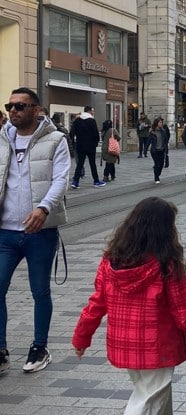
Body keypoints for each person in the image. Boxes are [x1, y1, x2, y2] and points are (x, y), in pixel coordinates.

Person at [71, 197, 186, 415]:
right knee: (147, 399)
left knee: (153, 389)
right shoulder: (166, 265)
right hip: (155, 347)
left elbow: (96, 304)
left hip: (124, 346)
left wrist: (82, 337)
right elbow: (184, 312)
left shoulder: (110, 261)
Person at [0, 87, 70, 374]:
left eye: (20, 106)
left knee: (39, 290)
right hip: (5, 231)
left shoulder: (56, 140)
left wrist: (43, 208)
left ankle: (39, 347)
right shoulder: (2, 139)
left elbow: (61, 179)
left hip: (39, 231)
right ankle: (1, 349)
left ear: (36, 109)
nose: (13, 111)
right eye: (10, 106)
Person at [70, 105, 105, 188]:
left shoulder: (77, 120)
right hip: (90, 146)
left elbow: (72, 133)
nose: (93, 112)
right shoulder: (91, 120)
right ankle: (96, 181)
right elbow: (96, 134)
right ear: (89, 111)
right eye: (92, 111)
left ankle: (75, 181)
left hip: (80, 145)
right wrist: (95, 143)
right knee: (92, 164)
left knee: (80, 164)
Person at [148, 117, 168, 184]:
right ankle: (156, 177)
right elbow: (148, 141)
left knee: (161, 164)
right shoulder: (152, 132)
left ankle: (157, 174)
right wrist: (145, 150)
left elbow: (165, 141)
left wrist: (166, 149)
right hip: (154, 150)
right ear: (156, 123)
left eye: (161, 122)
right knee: (157, 164)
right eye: (159, 122)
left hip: (161, 150)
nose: (161, 124)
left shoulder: (163, 131)